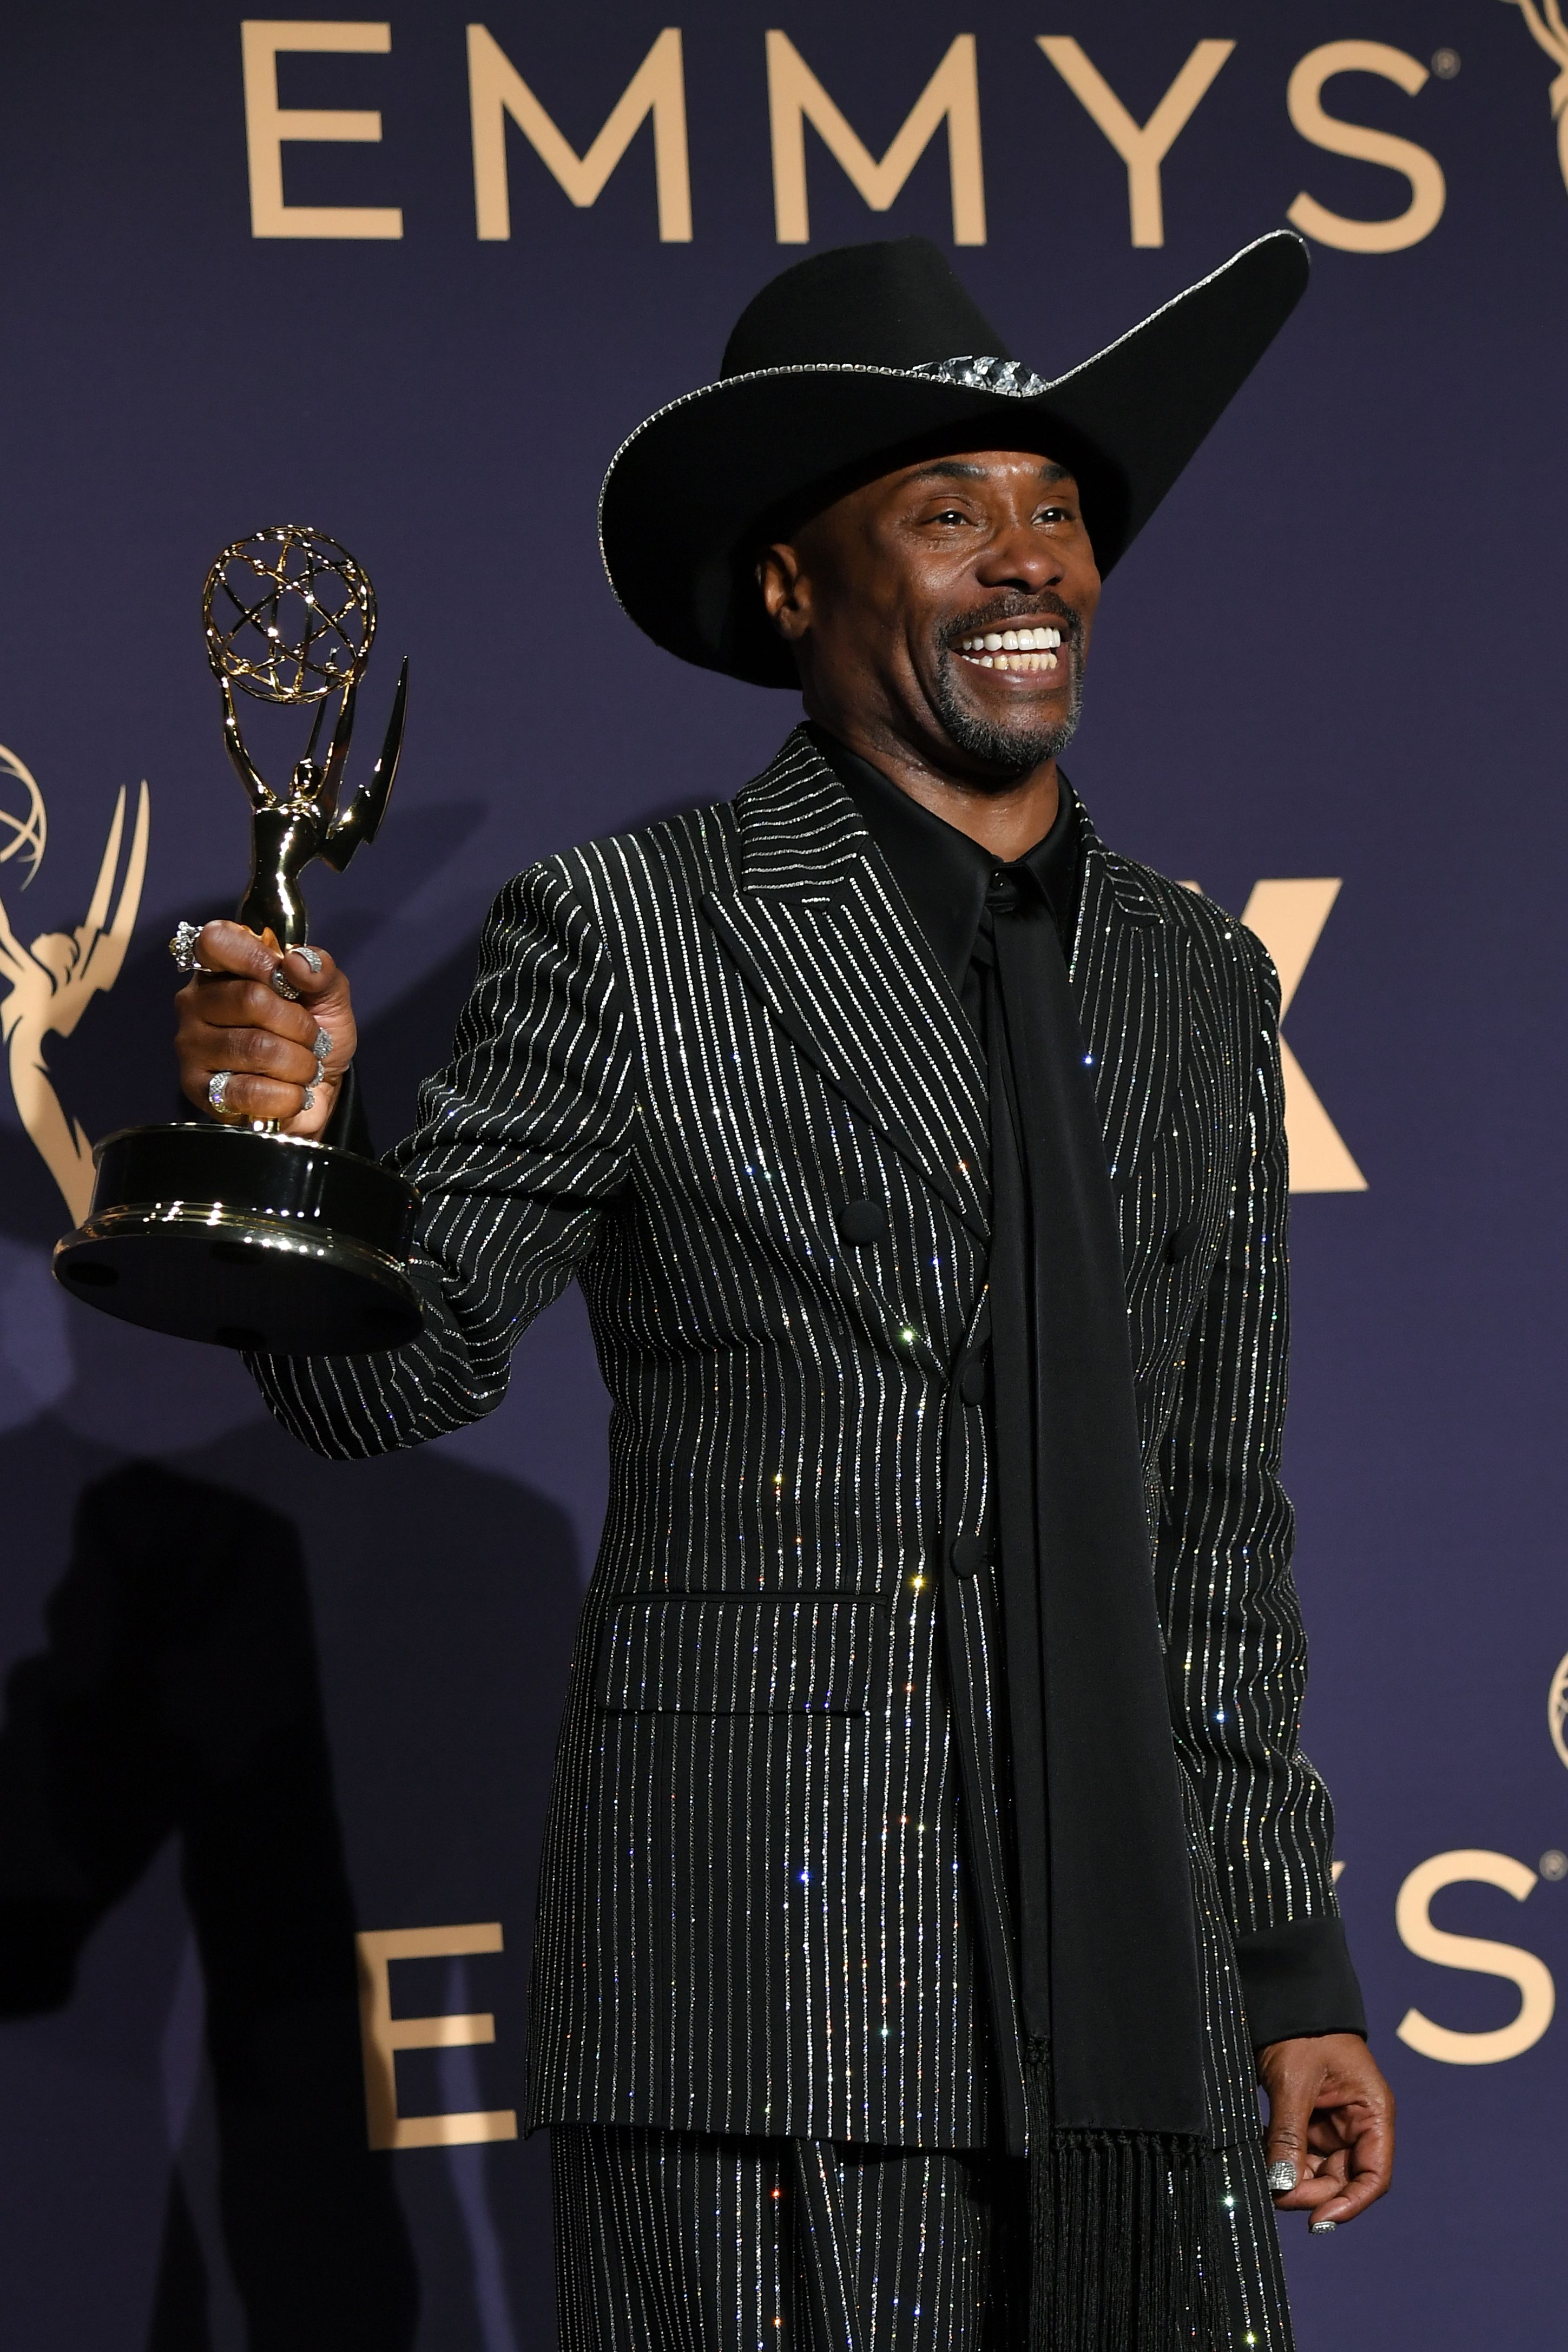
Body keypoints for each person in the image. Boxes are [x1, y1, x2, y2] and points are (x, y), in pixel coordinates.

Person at [174, 233, 1394, 2350]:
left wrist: (1281, 1968)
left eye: (1055, 509)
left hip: (1140, 2002)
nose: (1027, 563)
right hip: (771, 2004)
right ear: (787, 586)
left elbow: (1206, 1516)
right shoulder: (633, 936)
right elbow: (397, 1380)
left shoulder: (1194, 983)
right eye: (946, 513)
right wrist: (293, 1164)